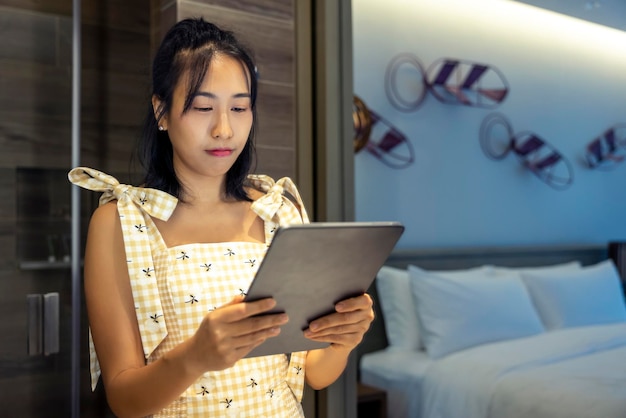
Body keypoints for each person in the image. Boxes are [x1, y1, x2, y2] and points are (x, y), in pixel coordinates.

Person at [68, 17, 374, 417]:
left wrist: (343, 339)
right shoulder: (121, 220)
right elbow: (125, 399)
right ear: (161, 111)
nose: (224, 129)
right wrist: (196, 356)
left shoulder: (278, 208)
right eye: (203, 107)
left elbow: (314, 374)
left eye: (240, 107)